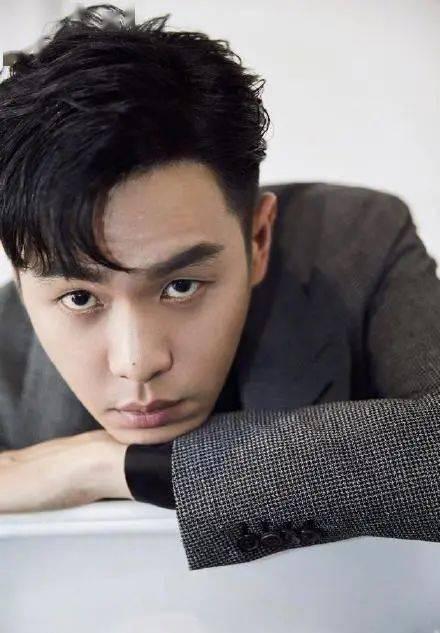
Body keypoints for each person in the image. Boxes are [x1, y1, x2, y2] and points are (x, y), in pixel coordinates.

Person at [0, 4, 439, 572]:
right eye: (80, 298)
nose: (138, 363)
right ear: (19, 272)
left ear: (258, 238)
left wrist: (105, 466)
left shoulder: (354, 243)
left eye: (181, 285)